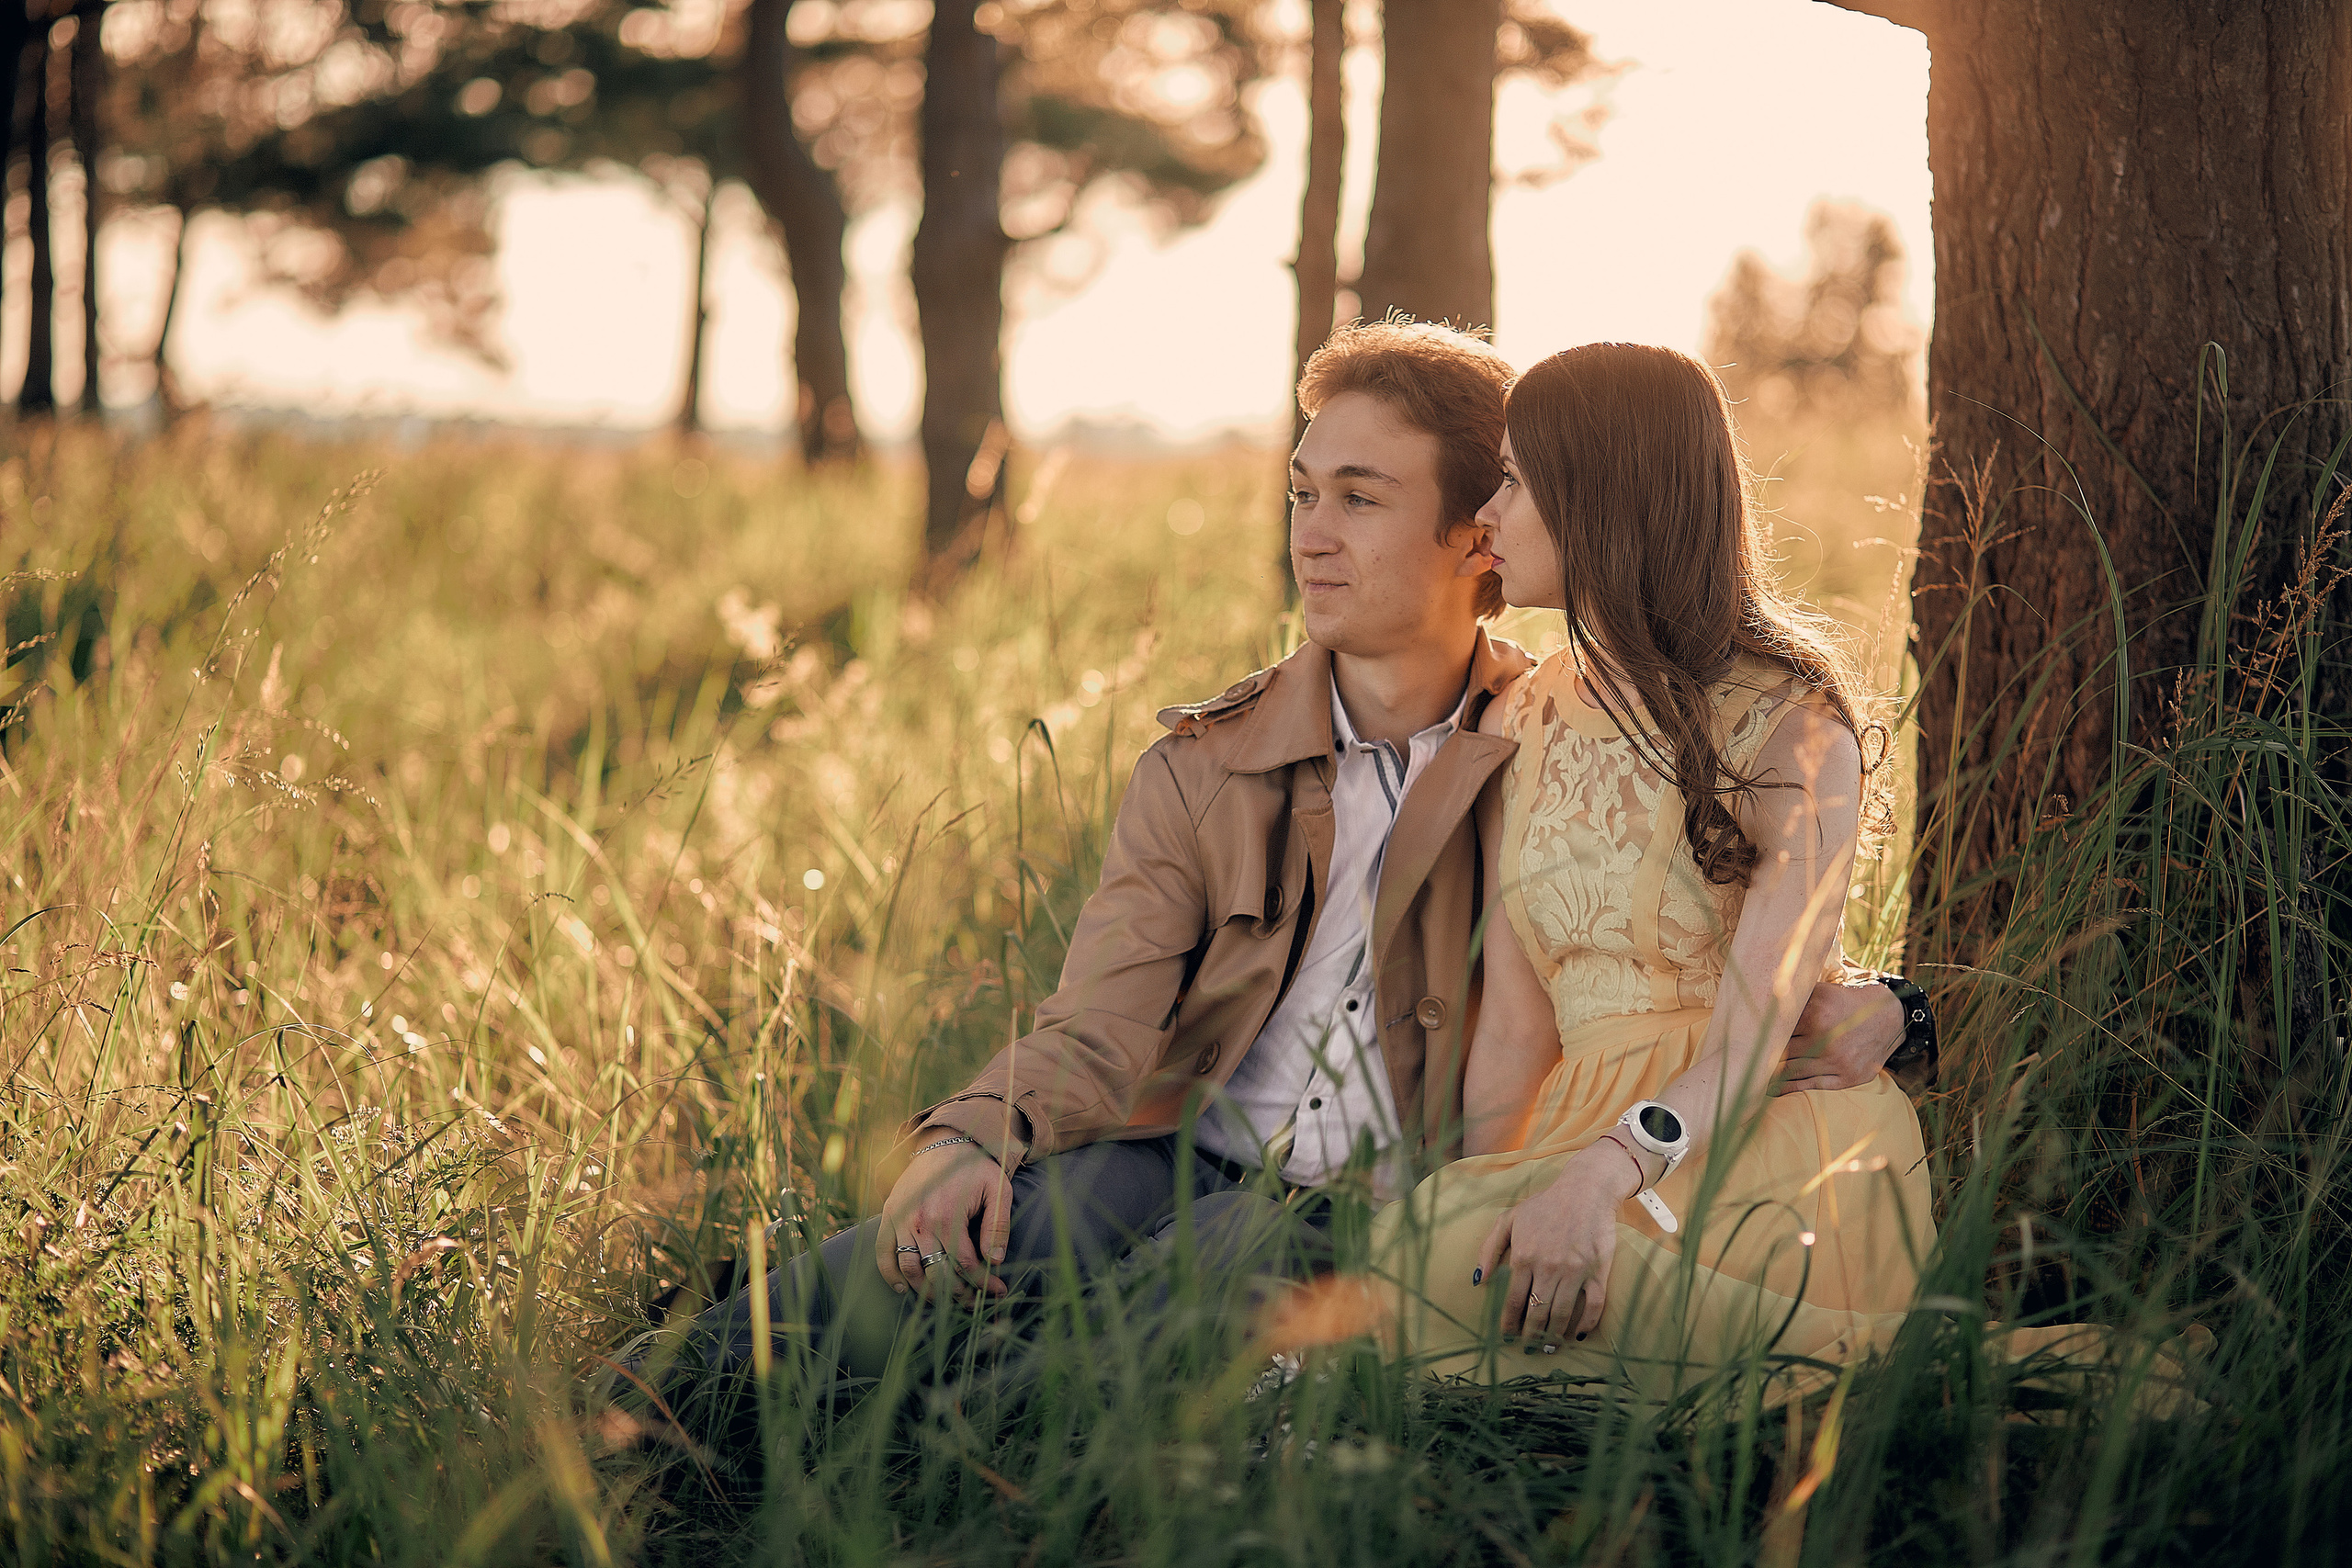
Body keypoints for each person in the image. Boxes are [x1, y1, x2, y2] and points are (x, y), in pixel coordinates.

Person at [642, 322, 1928, 1407]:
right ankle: (615, 1433)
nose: (1311, 532)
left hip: (1356, 1198)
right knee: (838, 1294)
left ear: (1472, 533)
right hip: (1172, 1147)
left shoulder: (1538, 735)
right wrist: (971, 1135)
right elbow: (1097, 1016)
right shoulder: (1208, 765)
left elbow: (1688, 920)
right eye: (1304, 492)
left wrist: (1888, 1002)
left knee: (1094, 1361)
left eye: (1361, 498)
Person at [1367, 341, 1928, 1401]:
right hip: (1583, 1123)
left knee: (1433, 1268)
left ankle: (1914, 1376)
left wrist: (1595, 1177)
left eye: (1517, 481)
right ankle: (1850, 1381)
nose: (1485, 514)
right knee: (1431, 1238)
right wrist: (1475, 1185)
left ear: (1603, 500)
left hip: (1755, 1134)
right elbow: (1517, 1034)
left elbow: (1754, 1032)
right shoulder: (1521, 718)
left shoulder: (1793, 728)